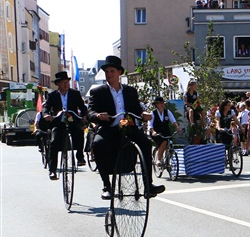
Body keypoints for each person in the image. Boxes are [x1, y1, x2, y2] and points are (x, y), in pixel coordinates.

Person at [88, 56, 164, 201]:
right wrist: (97, 115)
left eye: (112, 71)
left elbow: (136, 110)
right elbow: (90, 112)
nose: (109, 74)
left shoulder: (130, 91)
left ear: (119, 73)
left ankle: (148, 185)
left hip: (127, 126)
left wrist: (144, 115)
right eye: (107, 72)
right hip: (109, 127)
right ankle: (106, 186)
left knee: (146, 143)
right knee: (98, 144)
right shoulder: (98, 92)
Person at [42, 70, 87, 180]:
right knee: (54, 142)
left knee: (79, 131)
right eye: (63, 82)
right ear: (57, 84)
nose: (66, 84)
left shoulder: (75, 93)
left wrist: (85, 115)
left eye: (67, 82)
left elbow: (82, 107)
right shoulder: (52, 95)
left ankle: (80, 157)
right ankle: (52, 170)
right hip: (59, 122)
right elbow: (46, 107)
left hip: (73, 120)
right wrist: (46, 114)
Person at [148, 96, 179, 168]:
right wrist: (153, 132)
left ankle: (168, 158)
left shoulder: (167, 112)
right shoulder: (153, 113)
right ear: (156, 105)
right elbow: (150, 124)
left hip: (165, 130)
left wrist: (177, 127)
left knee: (169, 142)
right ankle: (158, 159)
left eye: (162, 103)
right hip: (156, 132)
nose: (162, 104)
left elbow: (173, 121)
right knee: (164, 141)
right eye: (159, 103)